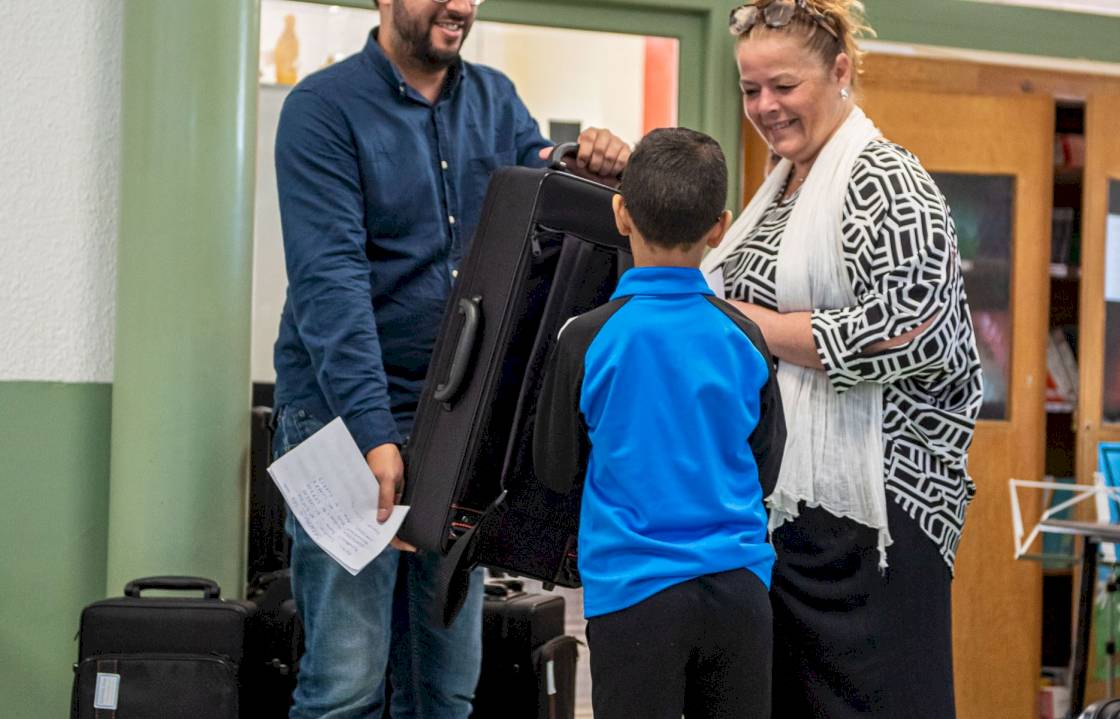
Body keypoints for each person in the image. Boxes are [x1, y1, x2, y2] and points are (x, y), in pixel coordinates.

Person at [270, 0, 629, 716]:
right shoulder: (322, 109)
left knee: (446, 688)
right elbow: (329, 283)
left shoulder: (497, 101)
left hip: (453, 422)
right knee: (345, 686)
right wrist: (374, 430)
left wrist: (587, 162)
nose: (461, 5)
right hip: (343, 423)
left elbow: (539, 198)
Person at [701, 1, 983, 716]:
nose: (765, 106)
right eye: (750, 88)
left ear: (840, 71)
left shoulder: (885, 178)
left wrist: (754, 326)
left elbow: (907, 328)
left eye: (784, 86)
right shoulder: (783, 185)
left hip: (879, 515)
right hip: (794, 511)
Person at [532, 127, 787, 719]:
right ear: (719, 227)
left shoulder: (587, 339)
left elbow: (555, 468)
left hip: (633, 595)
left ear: (620, 213)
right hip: (739, 595)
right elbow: (765, 467)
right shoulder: (745, 338)